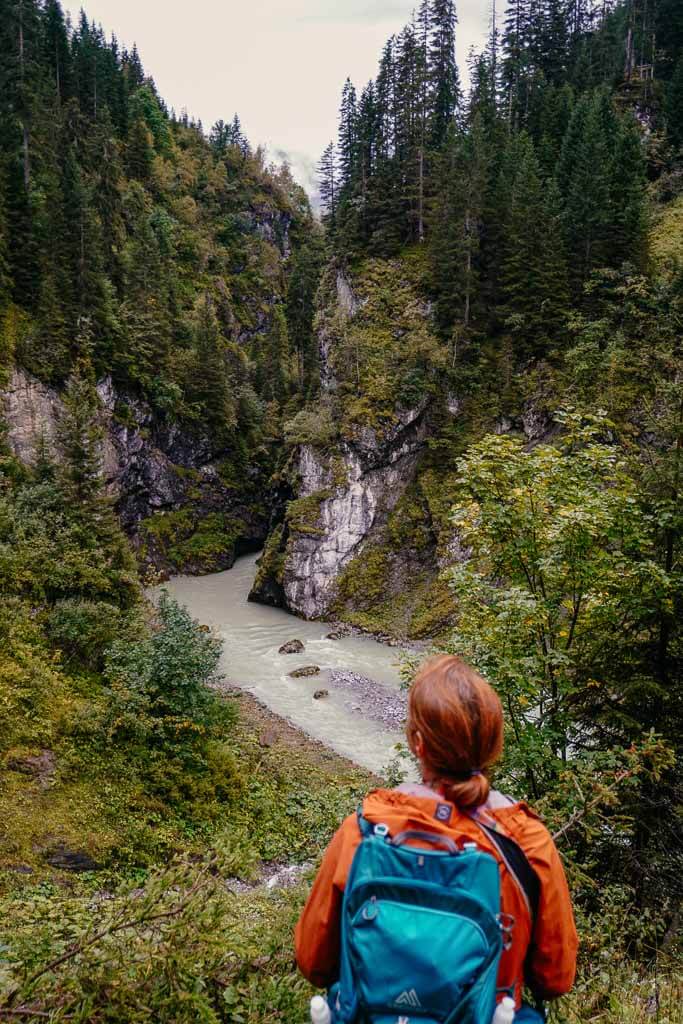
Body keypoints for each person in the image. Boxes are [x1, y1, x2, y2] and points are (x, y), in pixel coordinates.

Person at [295, 654, 578, 1021]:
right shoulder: (526, 841)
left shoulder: (363, 831)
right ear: (494, 744)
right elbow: (555, 978)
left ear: (418, 744)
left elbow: (312, 961)